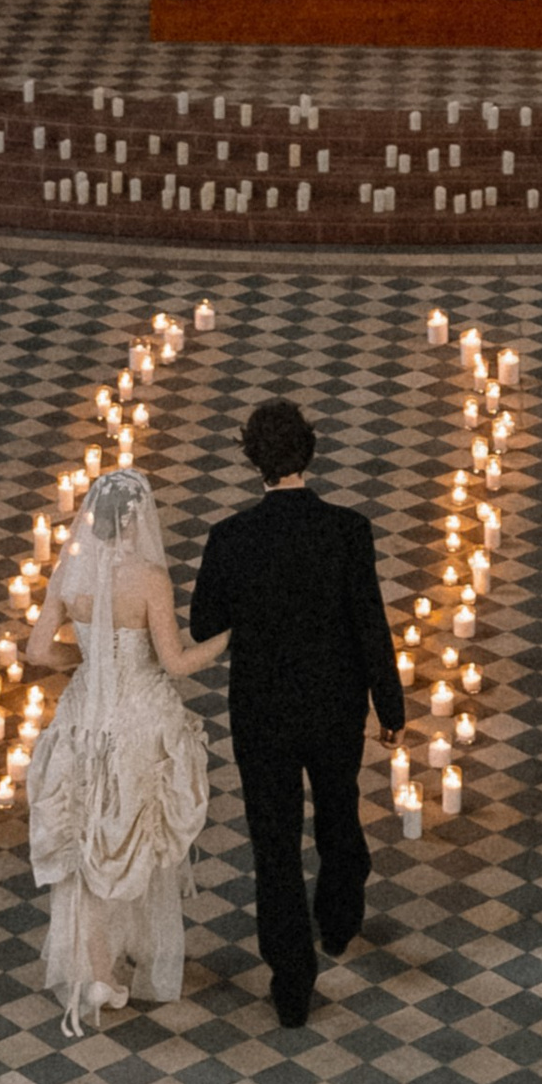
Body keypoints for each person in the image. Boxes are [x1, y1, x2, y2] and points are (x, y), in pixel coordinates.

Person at [185, 398, 406, 1027]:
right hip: (336, 704)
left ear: (252, 458)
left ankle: (292, 979)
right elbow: (371, 625)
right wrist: (390, 706)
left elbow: (205, 624)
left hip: (262, 712)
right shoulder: (348, 529)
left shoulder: (230, 538)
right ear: (309, 451)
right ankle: (338, 917)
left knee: (274, 844)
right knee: (338, 812)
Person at [22, 468, 213, 1037]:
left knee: (84, 839)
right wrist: (233, 636)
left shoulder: (70, 573)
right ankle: (115, 964)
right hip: (136, 720)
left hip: (83, 716)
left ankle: (97, 969)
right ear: (135, 518)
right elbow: (176, 662)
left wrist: (81, 666)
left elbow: (37, 653)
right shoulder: (149, 578)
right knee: (127, 836)